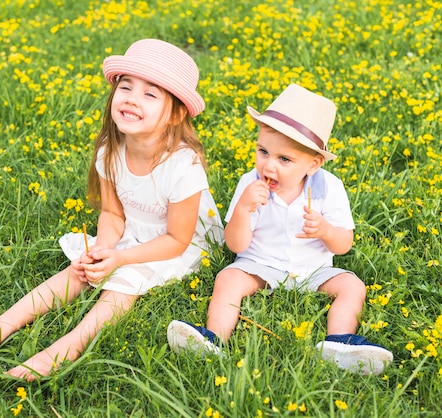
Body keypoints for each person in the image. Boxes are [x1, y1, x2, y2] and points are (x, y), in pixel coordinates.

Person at [0, 38, 223, 381]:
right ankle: (0, 325)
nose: (131, 98)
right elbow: (113, 215)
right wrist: (103, 249)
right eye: (126, 87)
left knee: (123, 283)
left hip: (177, 244)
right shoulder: (111, 152)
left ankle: (68, 345)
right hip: (134, 232)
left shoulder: (182, 167)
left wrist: (122, 259)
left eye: (150, 94)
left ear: (175, 113)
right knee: (81, 267)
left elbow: (177, 239)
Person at [167, 84, 393, 376]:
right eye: (263, 152)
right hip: (259, 264)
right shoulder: (251, 185)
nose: (269, 166)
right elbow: (236, 244)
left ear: (313, 164)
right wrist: (243, 209)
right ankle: (213, 339)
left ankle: (339, 342)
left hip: (314, 270)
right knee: (228, 279)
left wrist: (324, 230)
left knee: (353, 287)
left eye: (284, 159)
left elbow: (343, 244)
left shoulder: (329, 188)